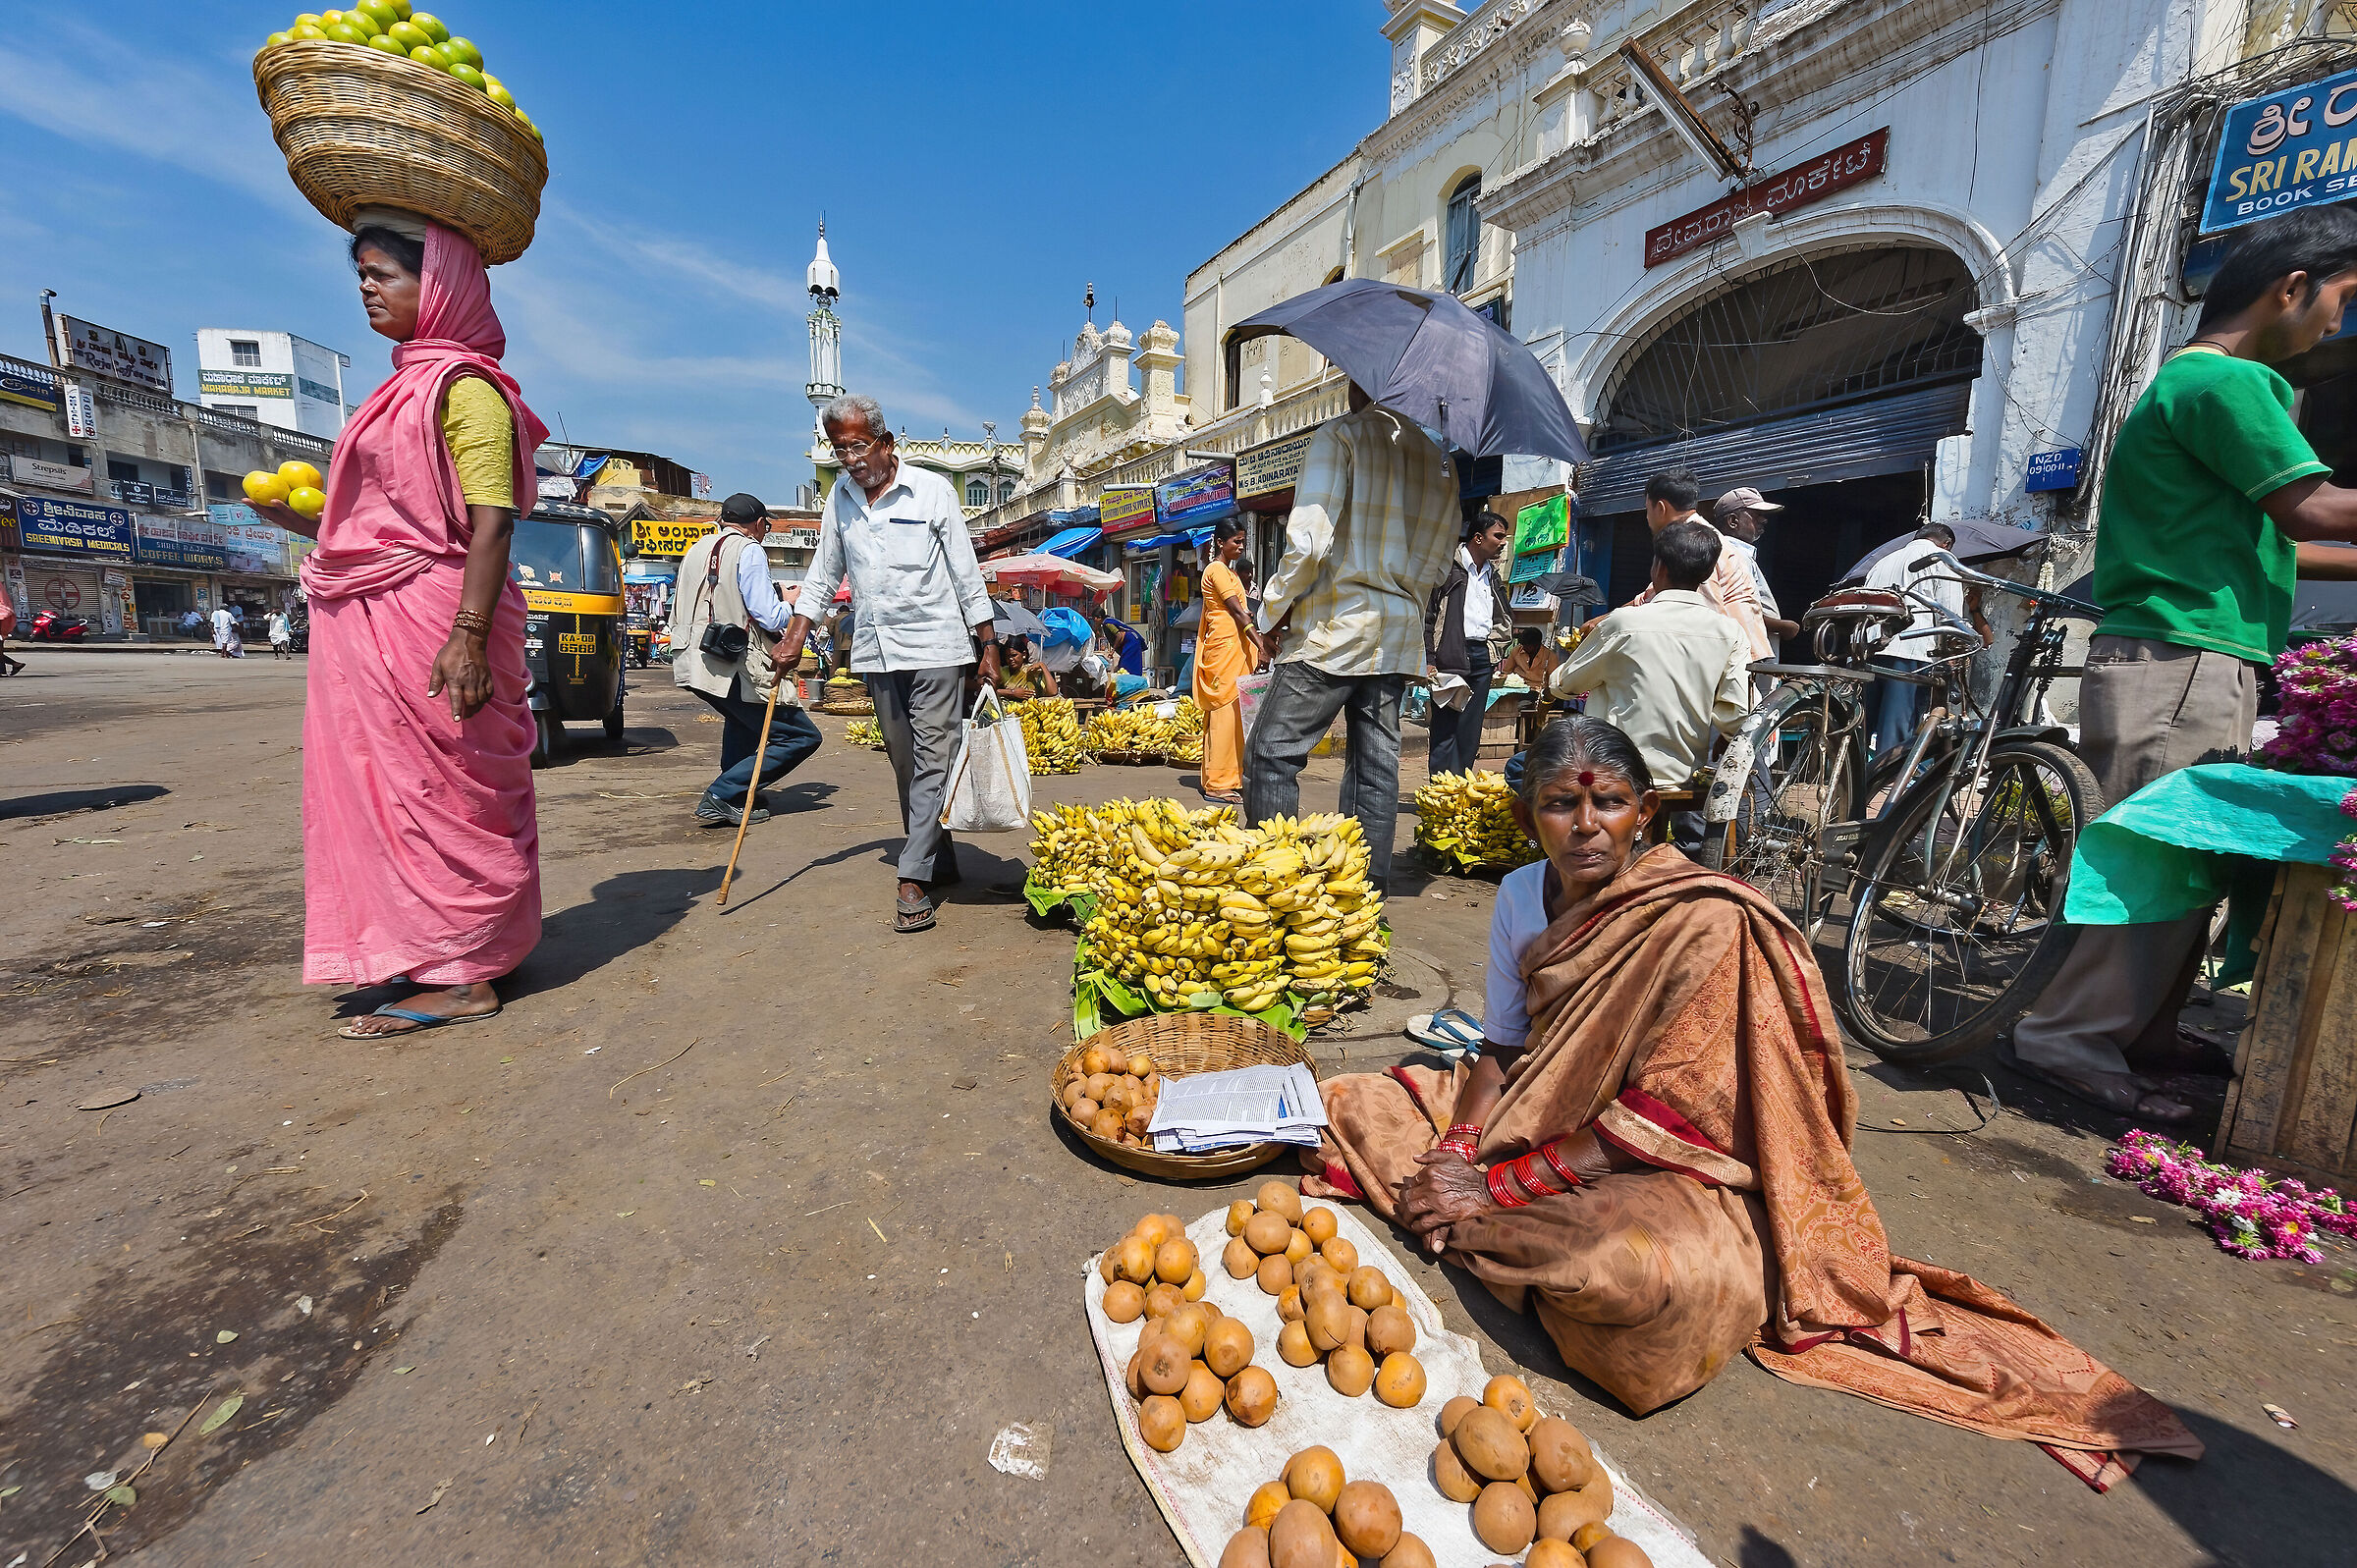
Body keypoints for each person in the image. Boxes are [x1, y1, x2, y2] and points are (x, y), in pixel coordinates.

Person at [1300, 715, 2203, 1473]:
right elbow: (1503, 1044)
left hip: (1667, 1154)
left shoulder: (1704, 917)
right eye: (1560, 804)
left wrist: (1498, 1184)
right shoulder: (1517, 896)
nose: (1585, 825)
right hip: (1545, 1106)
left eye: (1608, 802)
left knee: (1642, 1280)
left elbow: (1686, 1108)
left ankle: (1484, 1225)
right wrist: (1459, 1147)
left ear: (1645, 812)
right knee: (1348, 1100)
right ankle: (1467, 1211)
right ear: (1526, 815)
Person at [2010, 204, 2357, 1121]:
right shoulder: (2226, 382)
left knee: (2192, 857)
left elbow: (2286, 543)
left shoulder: (2195, 384)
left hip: (2197, 652)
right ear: (2293, 287)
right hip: (2180, 654)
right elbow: (2314, 509)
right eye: (2342, 300)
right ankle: (2067, 1036)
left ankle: (2150, 1030)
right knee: (2156, 856)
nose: (2336, 325)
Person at [236, 213, 546, 1037]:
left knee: (447, 790)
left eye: (386, 275)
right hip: (386, 614)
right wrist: (306, 522)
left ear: (438, 286)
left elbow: (491, 521)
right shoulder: (396, 391)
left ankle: (464, 975)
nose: (369, 289)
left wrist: (468, 635)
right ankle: (443, 947)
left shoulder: (466, 391)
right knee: (394, 787)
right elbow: (390, 525)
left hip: (438, 618)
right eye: (363, 276)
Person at [777, 393, 1001, 935]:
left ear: (886, 443)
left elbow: (965, 570)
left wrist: (988, 643)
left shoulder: (933, 490)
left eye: (857, 446)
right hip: (878, 651)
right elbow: (824, 574)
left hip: (938, 646)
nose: (849, 459)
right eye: (839, 449)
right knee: (905, 761)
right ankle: (938, 857)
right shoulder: (840, 499)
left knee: (934, 759)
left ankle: (912, 875)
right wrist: (795, 634)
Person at [1247, 383, 1458, 892]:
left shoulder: (1341, 436)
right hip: (1397, 633)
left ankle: (1273, 886)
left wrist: (1271, 611)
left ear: (1362, 381)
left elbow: (1308, 545)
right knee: (1375, 767)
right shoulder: (1440, 464)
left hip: (1334, 628)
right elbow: (1438, 567)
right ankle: (1363, 894)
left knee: (1271, 753)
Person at [1548, 519, 1748, 848]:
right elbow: (1736, 713)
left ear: (1659, 567)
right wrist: (1727, 737)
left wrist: (1564, 671)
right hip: (1681, 774)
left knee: (1520, 768)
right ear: (1706, 574)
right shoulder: (1729, 632)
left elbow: (1565, 685)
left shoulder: (1623, 623)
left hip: (1613, 770)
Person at [671, 492, 823, 828]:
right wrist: (790, 603)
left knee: (742, 723)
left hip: (693, 657)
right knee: (800, 736)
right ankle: (723, 793)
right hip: (731, 662)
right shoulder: (748, 549)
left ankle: (739, 792)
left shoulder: (698, 547)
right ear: (758, 524)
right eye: (766, 526)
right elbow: (769, 616)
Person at [1628, 469, 1770, 661]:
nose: (1647, 518)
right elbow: (1650, 596)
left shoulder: (1694, 543)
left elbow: (1705, 617)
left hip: (1737, 661)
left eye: (1647, 510)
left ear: (1660, 508)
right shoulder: (1696, 537)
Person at [1860, 521, 1971, 756]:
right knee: (1896, 732)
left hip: (1872, 647)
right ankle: (1889, 778)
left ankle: (1848, 774)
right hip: (1911, 648)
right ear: (1947, 544)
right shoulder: (1941, 559)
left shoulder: (1882, 562)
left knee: (1861, 726)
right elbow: (1949, 615)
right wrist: (1954, 653)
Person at [1423, 509, 1513, 776]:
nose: (1503, 542)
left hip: (1481, 656)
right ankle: (1441, 788)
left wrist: (1494, 650)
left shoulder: (1492, 575)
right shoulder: (1447, 569)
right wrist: (1428, 659)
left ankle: (1462, 785)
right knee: (1445, 727)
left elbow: (1501, 616)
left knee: (1470, 730)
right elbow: (1427, 616)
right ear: (1478, 537)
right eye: (1498, 536)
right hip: (1449, 654)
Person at [1193, 516, 1269, 804]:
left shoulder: (1232, 574)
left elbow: (1245, 613)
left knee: (1238, 717)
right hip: (1223, 650)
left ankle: (1233, 777)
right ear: (1220, 542)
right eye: (1236, 541)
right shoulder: (1215, 570)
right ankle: (1217, 783)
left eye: (1243, 542)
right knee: (1223, 716)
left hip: (1235, 649)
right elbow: (1238, 612)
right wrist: (1261, 645)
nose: (1241, 547)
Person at [1712, 486, 1799, 646]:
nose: (1764, 520)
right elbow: (1739, 610)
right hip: (1748, 652)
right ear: (1733, 521)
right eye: (1756, 514)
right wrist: (1784, 627)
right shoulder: (1735, 556)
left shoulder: (1733, 553)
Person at [1496, 626, 1557, 690]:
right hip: (1516, 686)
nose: (1524, 647)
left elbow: (1553, 681)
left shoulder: (1550, 656)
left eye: (1527, 645)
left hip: (1538, 688)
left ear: (1537, 644)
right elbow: (1506, 671)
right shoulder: (1516, 650)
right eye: (1523, 645)